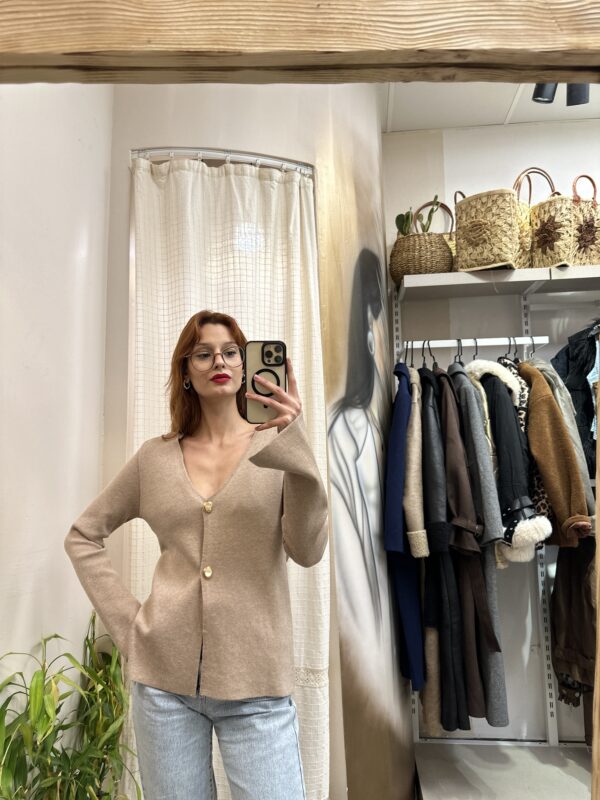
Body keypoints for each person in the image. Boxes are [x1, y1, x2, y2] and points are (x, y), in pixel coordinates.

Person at [64, 310, 329, 800]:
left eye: (230, 352)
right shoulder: (154, 458)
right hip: (164, 688)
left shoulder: (276, 447)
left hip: (257, 686)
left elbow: (307, 550)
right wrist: (131, 628)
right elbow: (83, 535)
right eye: (203, 354)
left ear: (248, 366)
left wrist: (295, 442)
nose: (218, 362)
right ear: (186, 372)